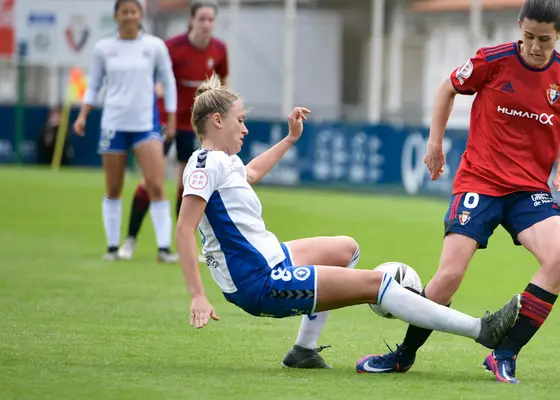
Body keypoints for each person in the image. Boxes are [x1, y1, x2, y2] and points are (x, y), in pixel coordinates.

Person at [175, 75, 523, 369]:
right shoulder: (204, 164)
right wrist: (197, 296)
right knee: (377, 283)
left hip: (271, 258)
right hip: (258, 281)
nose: (245, 129)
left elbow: (250, 172)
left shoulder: (226, 161)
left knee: (345, 249)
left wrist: (290, 138)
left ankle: (303, 351)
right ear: (217, 120)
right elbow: (184, 228)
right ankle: (482, 330)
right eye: (240, 120)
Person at [356, 0, 560, 384]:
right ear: (520, 27)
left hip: (529, 189)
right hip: (480, 180)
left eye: (544, 39)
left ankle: (505, 353)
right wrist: (435, 144)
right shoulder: (492, 60)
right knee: (447, 278)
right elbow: (448, 88)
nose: (534, 46)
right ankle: (402, 356)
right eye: (528, 36)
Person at [118, 2, 228, 261]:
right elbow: (155, 78)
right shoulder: (173, 48)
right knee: (150, 181)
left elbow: (223, 83)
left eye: (211, 19)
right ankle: (130, 241)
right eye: (202, 18)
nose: (206, 24)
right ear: (192, 21)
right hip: (165, 123)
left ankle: (181, 247)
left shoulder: (220, 50)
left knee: (186, 184)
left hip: (193, 126)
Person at [73, 0, 178, 263]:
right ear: (117, 15)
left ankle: (164, 248)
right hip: (113, 123)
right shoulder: (104, 48)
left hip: (146, 124)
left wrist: (172, 117)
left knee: (155, 183)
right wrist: (83, 115)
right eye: (124, 11)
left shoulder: (154, 46)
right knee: (114, 185)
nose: (130, 16)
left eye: (134, 11)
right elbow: (94, 85)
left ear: (141, 15)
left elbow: (168, 80)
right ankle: (112, 247)